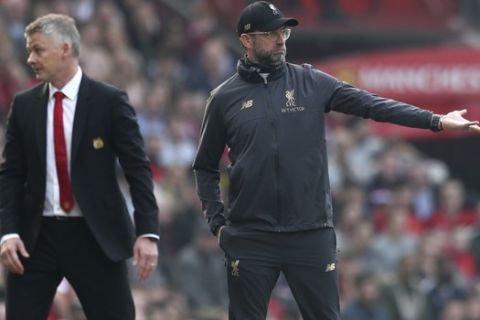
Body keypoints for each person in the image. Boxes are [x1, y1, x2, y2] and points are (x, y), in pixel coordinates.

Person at [192, 1, 480, 319]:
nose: (281, 40)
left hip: (310, 232)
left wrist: (435, 120)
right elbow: (204, 166)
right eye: (271, 33)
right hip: (251, 235)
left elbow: (373, 105)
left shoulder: (311, 82)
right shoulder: (222, 98)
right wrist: (217, 223)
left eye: (284, 31)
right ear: (247, 40)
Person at [0, 14, 160, 319]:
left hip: (94, 236)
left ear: (64, 49)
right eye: (29, 50)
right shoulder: (24, 106)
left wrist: (148, 232)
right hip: (36, 237)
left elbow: (137, 169)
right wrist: (8, 232)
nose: (30, 58)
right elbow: (10, 175)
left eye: (38, 50)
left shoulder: (109, 101)